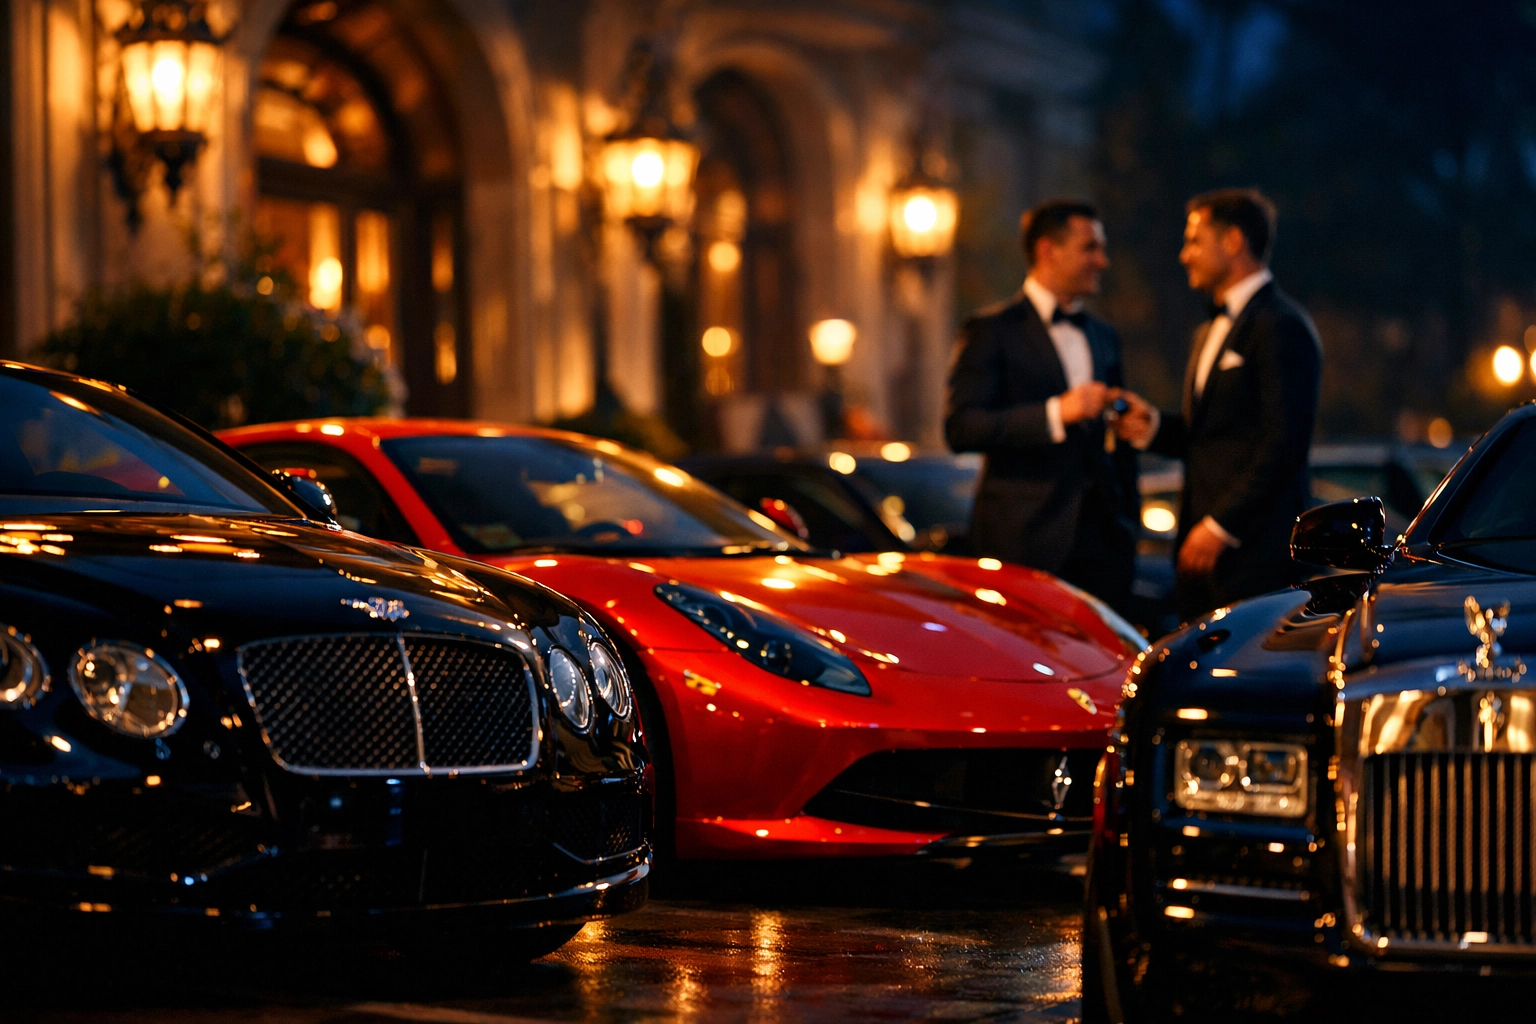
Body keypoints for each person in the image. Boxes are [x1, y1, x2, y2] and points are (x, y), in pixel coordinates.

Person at [1116, 188, 1322, 620]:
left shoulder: (1282, 325)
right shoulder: (1207, 330)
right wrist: (1154, 428)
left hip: (1258, 558)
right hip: (1204, 565)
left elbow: (1283, 444)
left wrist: (1219, 527)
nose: (1183, 255)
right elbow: (1213, 437)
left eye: (1194, 241)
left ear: (1232, 241)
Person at [945, 198, 1140, 616]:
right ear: (1047, 250)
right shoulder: (991, 330)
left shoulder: (1105, 335)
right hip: (1025, 543)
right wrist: (1056, 413)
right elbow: (961, 428)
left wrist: (1128, 522)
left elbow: (1119, 447)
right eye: (1090, 248)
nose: (1102, 261)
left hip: (1104, 547)